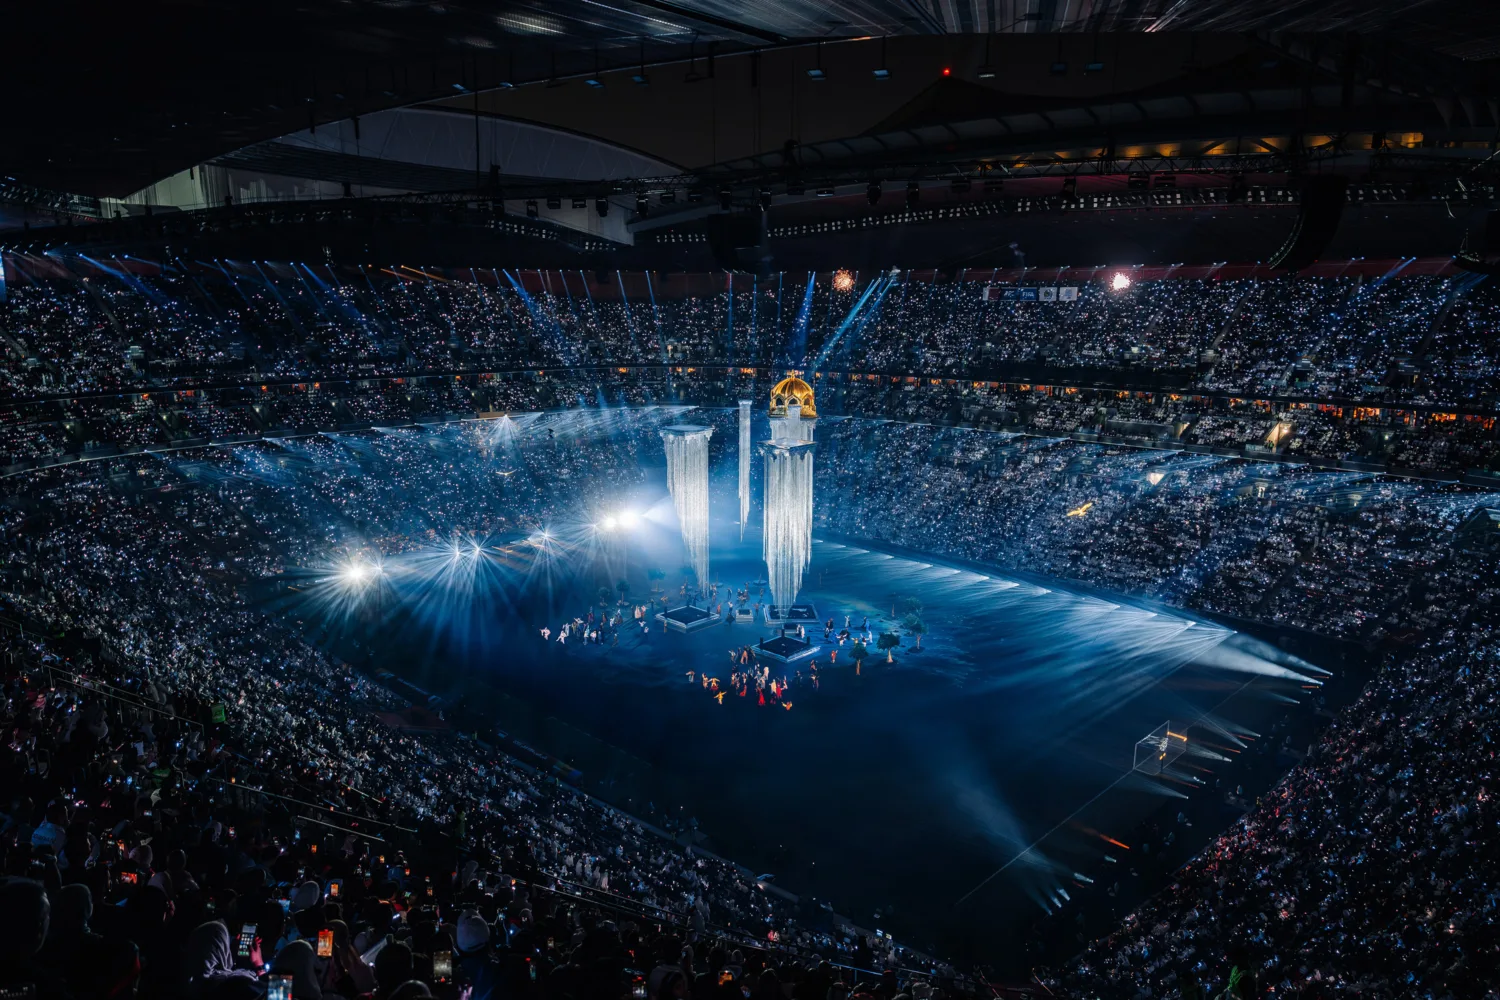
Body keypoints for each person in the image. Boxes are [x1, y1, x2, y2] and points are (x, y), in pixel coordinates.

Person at [182, 921, 261, 1000]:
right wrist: (258, 963)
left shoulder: (193, 986)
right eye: (224, 943)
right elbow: (262, 991)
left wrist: (231, 952)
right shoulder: (231, 985)